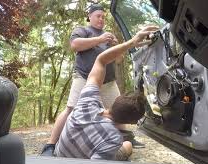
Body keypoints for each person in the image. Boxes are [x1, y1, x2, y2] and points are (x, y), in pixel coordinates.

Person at [41, 3, 144, 156]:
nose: (101, 19)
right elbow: (75, 45)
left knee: (120, 108)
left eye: (103, 17)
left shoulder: (108, 36)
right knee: (70, 109)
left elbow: (118, 60)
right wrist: (99, 39)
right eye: (98, 16)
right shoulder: (83, 30)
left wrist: (115, 46)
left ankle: (127, 138)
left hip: (109, 81)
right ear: (89, 16)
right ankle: (50, 145)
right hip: (84, 77)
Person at [54, 25, 159, 160]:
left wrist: (132, 42)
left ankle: (52, 146)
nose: (101, 19)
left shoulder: (86, 103)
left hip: (59, 156)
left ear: (115, 101)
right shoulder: (113, 138)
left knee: (122, 145)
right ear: (133, 122)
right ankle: (49, 144)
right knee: (127, 146)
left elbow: (101, 60)